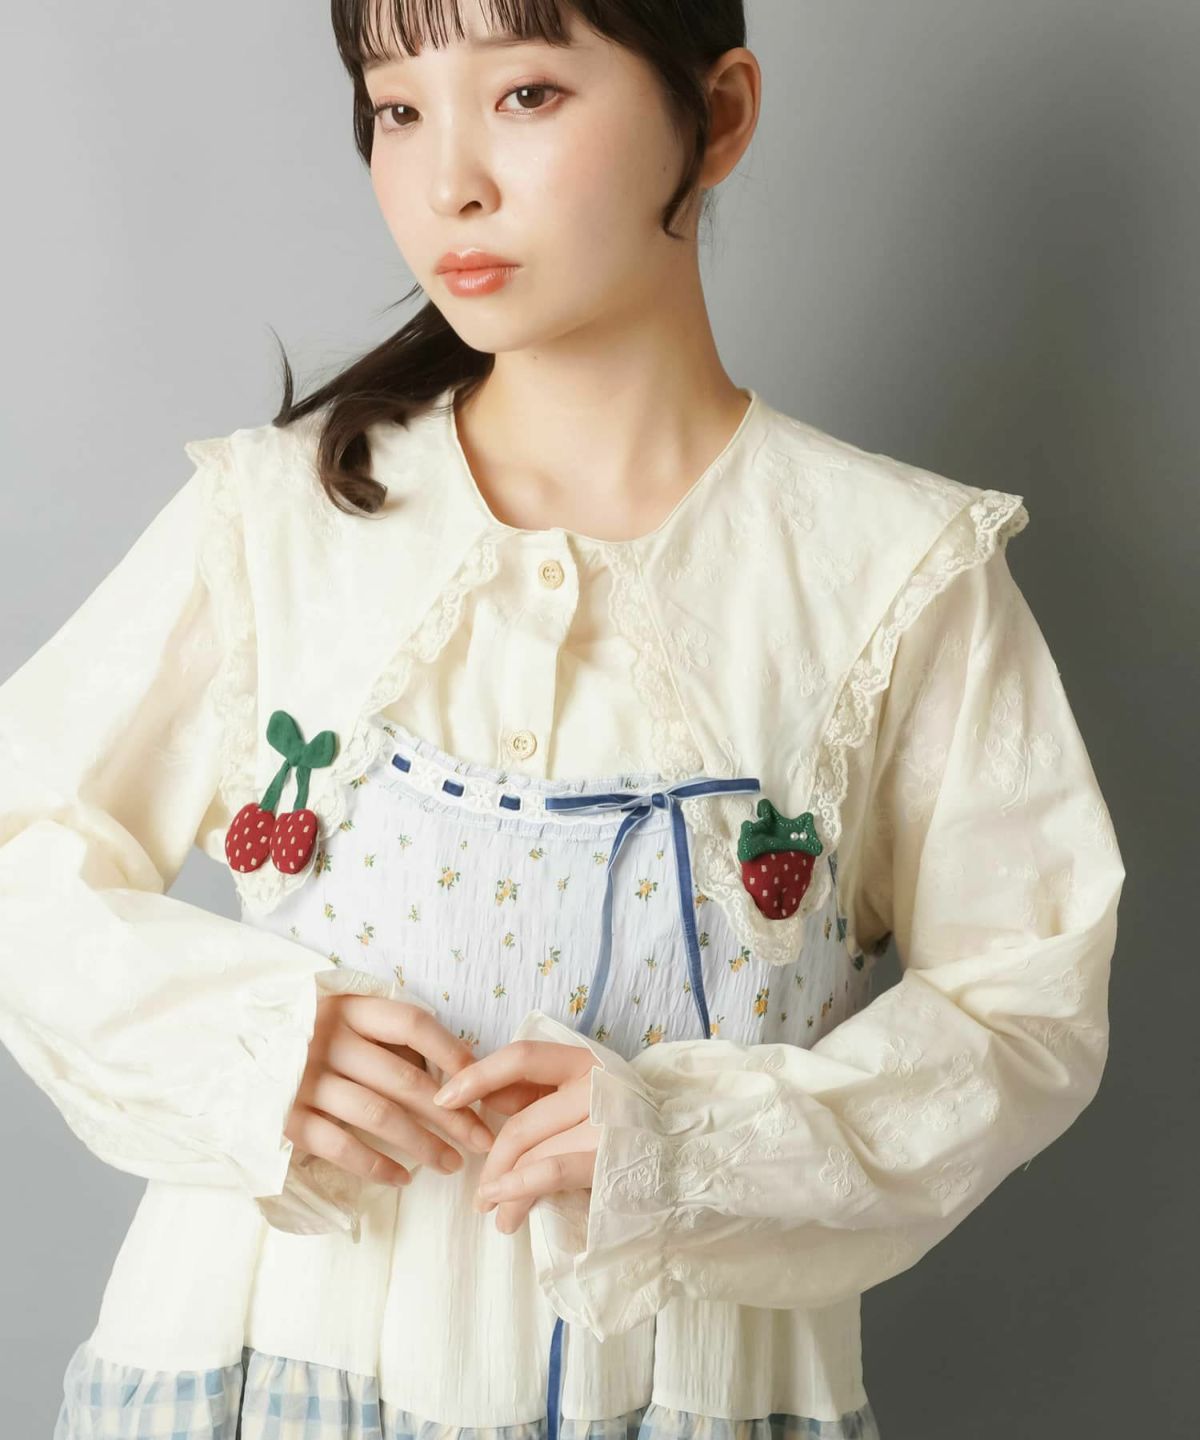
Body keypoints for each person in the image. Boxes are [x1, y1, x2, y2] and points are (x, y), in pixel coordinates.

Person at [0, 2, 1125, 1437]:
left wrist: (693, 1148)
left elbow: (1026, 1003)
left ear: (718, 115)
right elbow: (22, 841)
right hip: (248, 1370)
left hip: (694, 1390)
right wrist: (257, 1050)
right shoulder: (279, 523)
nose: (448, 181)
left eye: (526, 93)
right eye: (397, 108)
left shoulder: (891, 573)